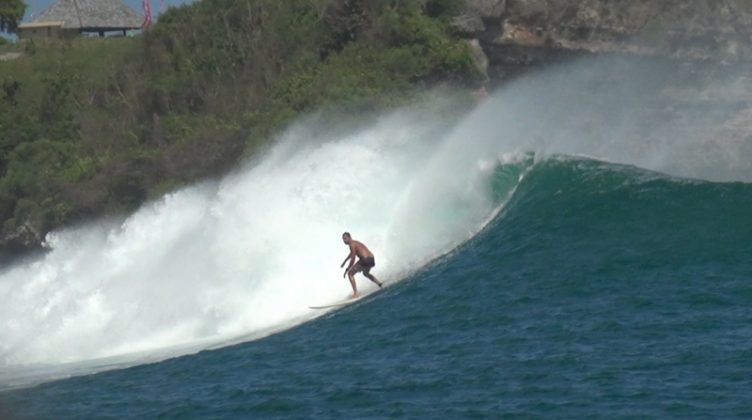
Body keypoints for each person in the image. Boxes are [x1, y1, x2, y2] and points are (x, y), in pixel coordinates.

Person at [340, 232, 383, 297]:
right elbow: (352, 253)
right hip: (371, 259)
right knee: (366, 273)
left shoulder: (351, 245)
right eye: (343, 239)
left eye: (345, 238)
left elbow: (353, 258)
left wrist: (348, 268)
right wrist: (345, 261)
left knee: (350, 274)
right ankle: (379, 283)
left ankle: (355, 293)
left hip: (365, 260)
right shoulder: (355, 242)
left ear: (350, 237)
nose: (344, 240)